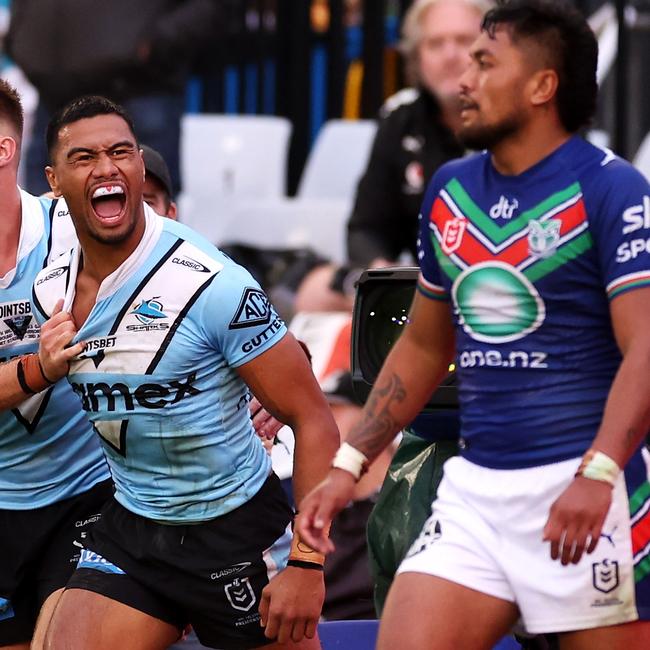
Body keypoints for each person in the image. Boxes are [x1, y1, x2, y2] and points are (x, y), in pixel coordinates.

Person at [298, 1, 650, 648]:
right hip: (475, 492)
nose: (462, 79)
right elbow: (426, 347)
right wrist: (348, 465)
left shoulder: (614, 191)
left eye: (485, 63)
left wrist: (599, 474)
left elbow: (647, 351)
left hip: (586, 490)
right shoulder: (450, 190)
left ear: (543, 85)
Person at [32, 95, 339, 650]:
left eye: (121, 151)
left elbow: (315, 420)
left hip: (234, 530)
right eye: (84, 157)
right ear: (54, 181)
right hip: (134, 526)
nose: (106, 167)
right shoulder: (50, 273)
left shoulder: (212, 283)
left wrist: (308, 562)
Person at [0, 80, 113, 650]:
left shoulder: (73, 225)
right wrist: (38, 370)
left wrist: (278, 356)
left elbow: (195, 281)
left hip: (87, 491)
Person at [6, 0, 220, 196]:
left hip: (138, 89)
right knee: (43, 222)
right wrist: (18, 36)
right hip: (53, 95)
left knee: (144, 220)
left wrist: (157, 41)